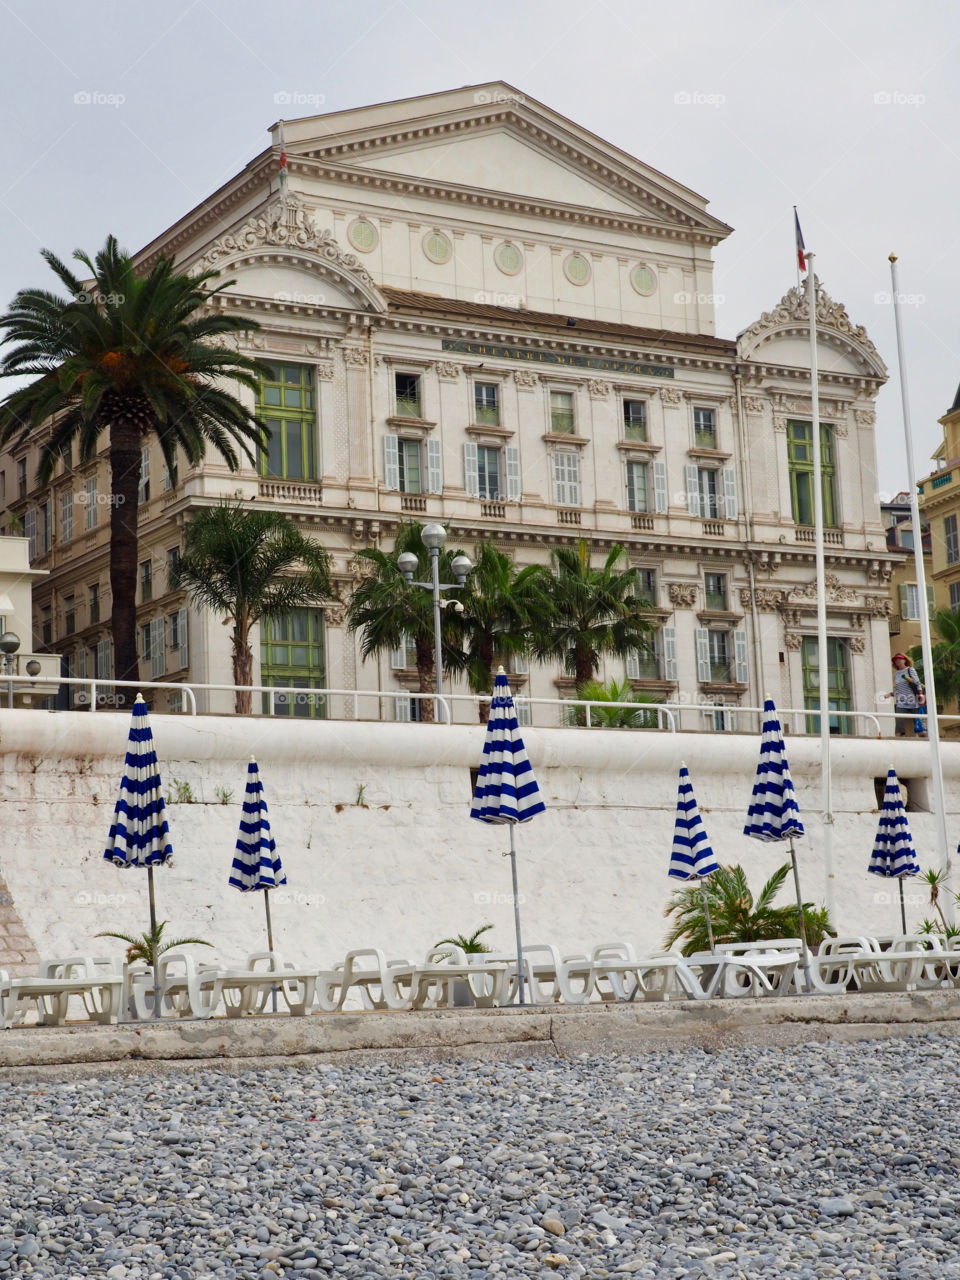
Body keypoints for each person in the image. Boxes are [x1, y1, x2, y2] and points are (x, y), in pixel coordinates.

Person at [888, 653, 927, 737]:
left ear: (904, 660)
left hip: (913, 700)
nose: (897, 660)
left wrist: (920, 695)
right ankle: (899, 740)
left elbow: (917, 682)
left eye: (899, 659)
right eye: (895, 659)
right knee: (899, 723)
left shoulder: (910, 670)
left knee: (919, 725)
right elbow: (898, 689)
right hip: (901, 702)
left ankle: (924, 740)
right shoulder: (896, 674)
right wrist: (890, 694)